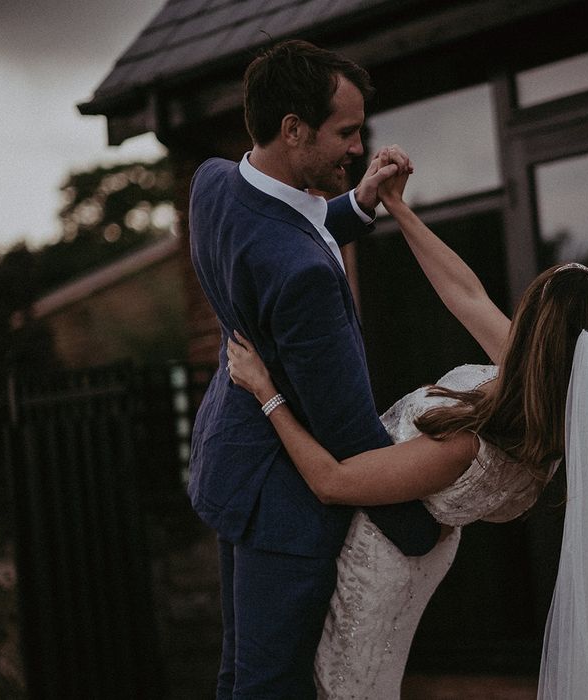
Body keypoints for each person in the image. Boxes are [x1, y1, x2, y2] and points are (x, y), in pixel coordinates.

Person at [226, 163, 588, 698]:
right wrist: (399, 207)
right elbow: (464, 293)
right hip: (421, 549)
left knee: (344, 686)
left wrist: (267, 392)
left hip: (381, 562)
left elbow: (332, 481)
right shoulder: (555, 397)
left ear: (538, 336)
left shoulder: (471, 443)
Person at [187, 40, 441, 699]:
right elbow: (350, 431)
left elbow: (282, 234)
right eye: (347, 132)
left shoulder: (215, 184)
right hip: (283, 508)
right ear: (293, 129)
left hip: (231, 459)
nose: (359, 146)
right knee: (271, 687)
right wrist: (425, 528)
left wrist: (359, 203)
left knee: (237, 675)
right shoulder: (301, 277)